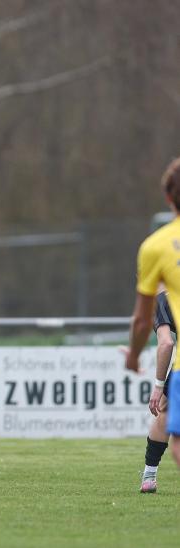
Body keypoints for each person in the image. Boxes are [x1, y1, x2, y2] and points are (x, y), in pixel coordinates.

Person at [125, 156, 180, 473]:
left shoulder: (156, 247)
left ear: (168, 197)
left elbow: (152, 329)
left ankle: (149, 474)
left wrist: (133, 356)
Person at [138, 291, 174, 493]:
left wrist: (159, 385)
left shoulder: (161, 299)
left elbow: (166, 342)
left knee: (164, 410)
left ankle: (149, 477)